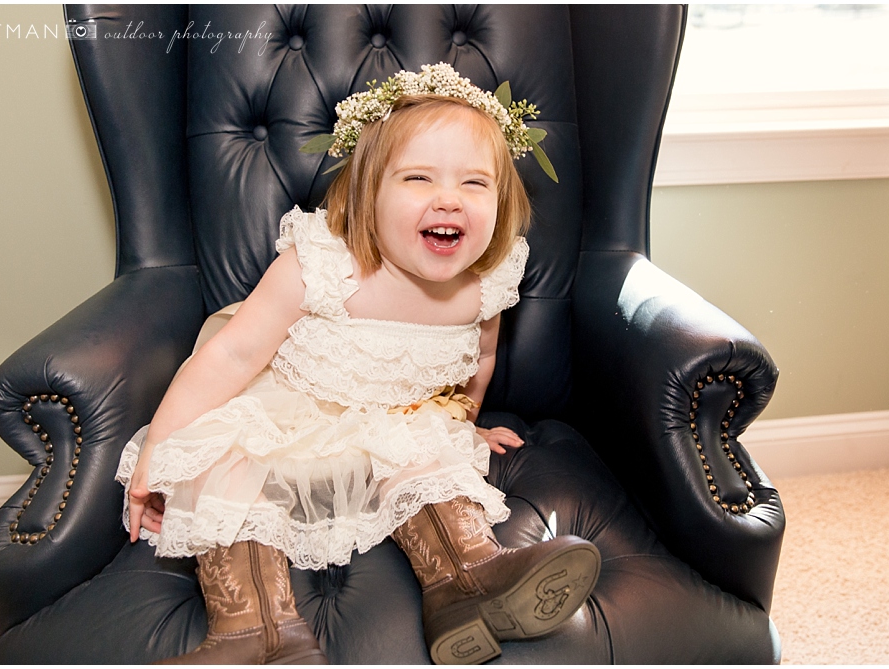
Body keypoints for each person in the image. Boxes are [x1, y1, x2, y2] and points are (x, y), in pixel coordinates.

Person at [116, 63, 600, 666]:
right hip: (287, 417)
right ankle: (257, 634)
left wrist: (460, 420)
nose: (448, 198)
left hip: (388, 422)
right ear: (368, 194)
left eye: (476, 183)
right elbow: (232, 354)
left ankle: (469, 583)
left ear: (502, 203)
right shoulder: (320, 264)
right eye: (418, 177)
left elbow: (479, 358)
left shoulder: (487, 285)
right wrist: (161, 451)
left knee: (423, 448)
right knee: (222, 459)